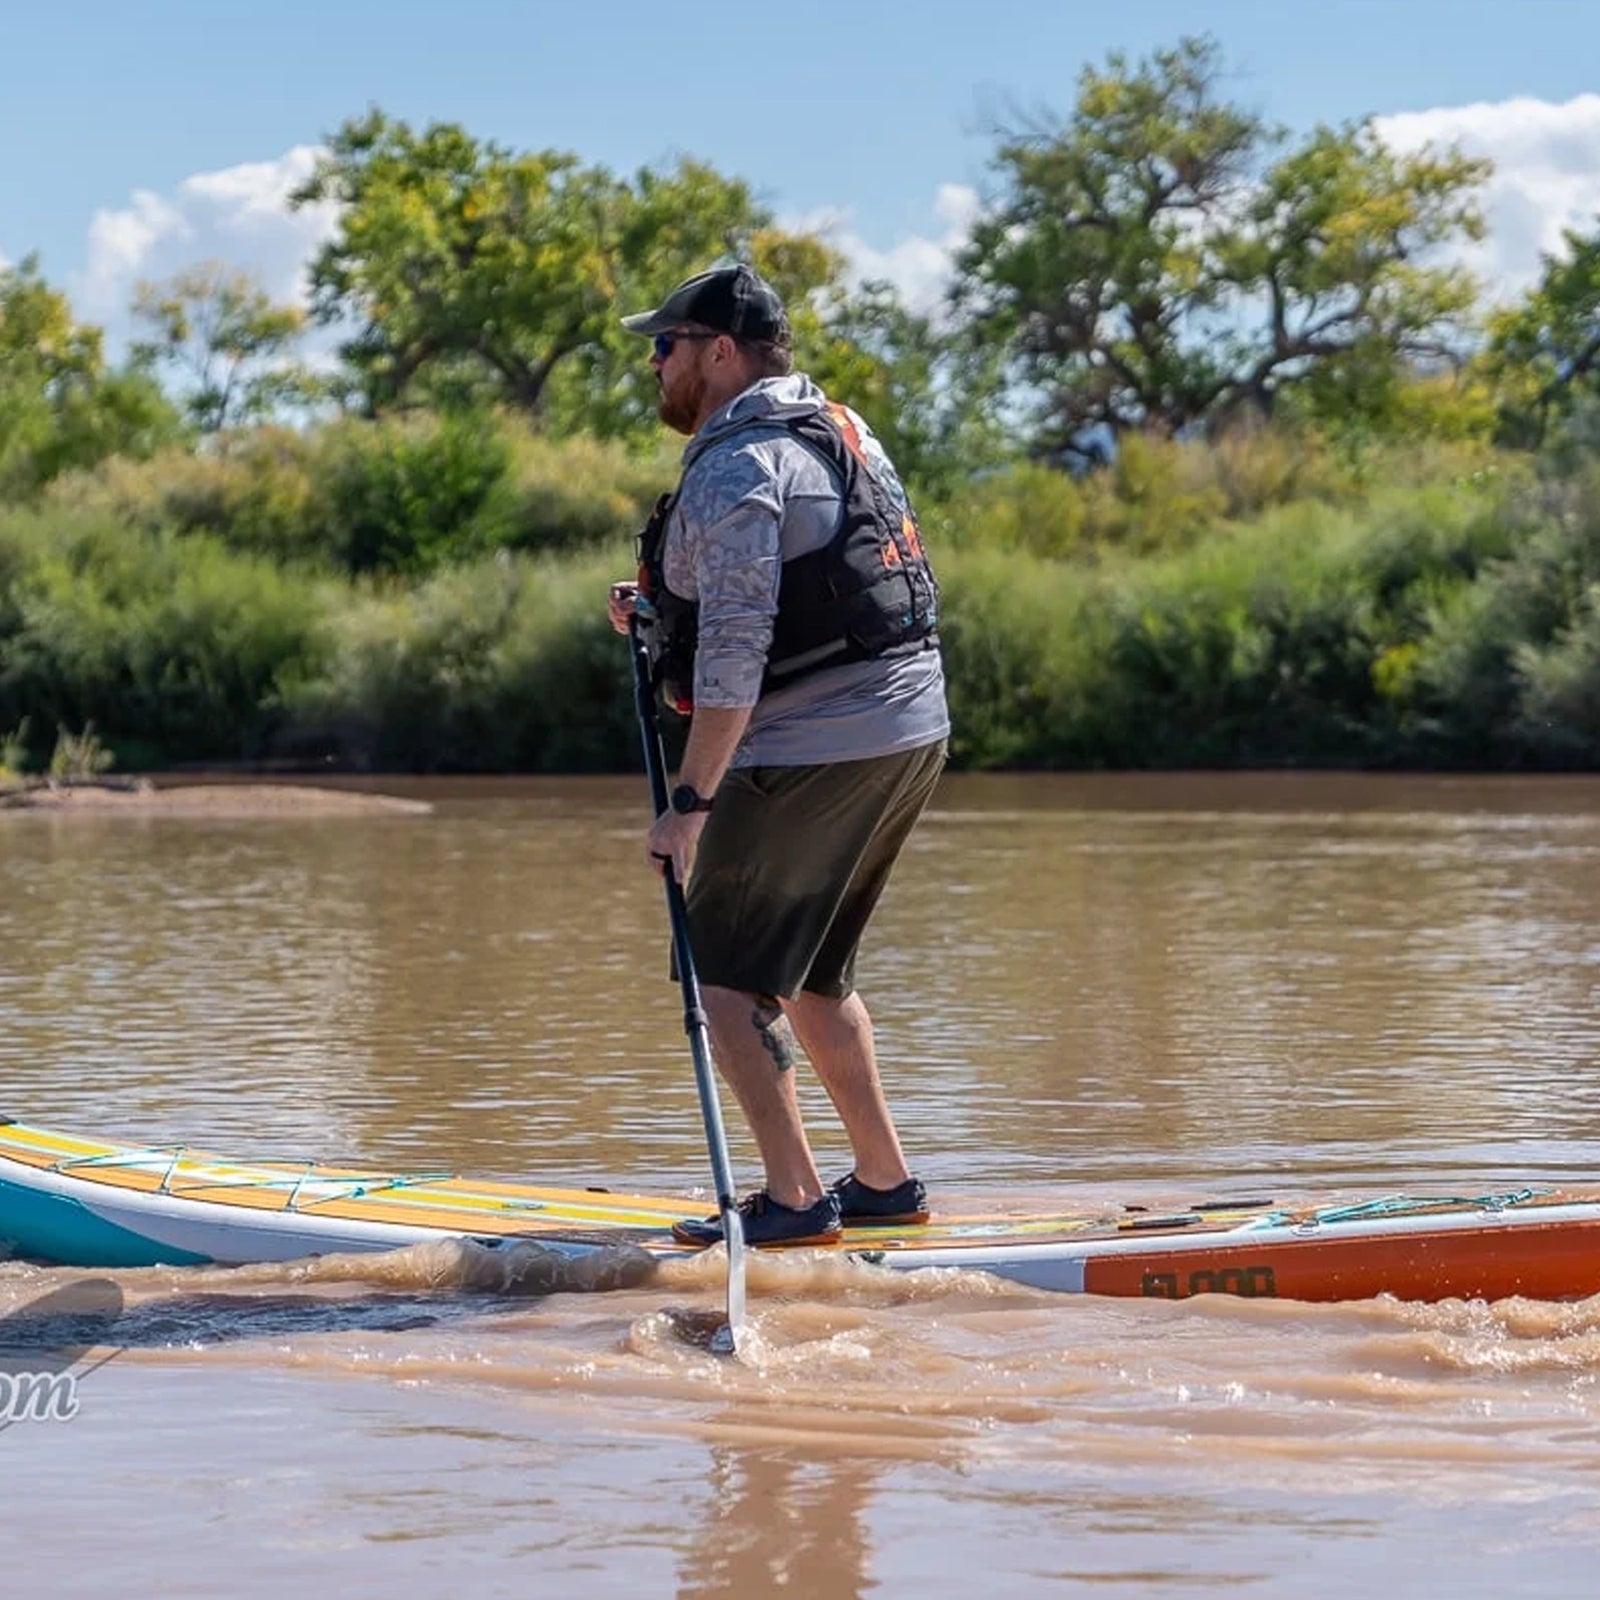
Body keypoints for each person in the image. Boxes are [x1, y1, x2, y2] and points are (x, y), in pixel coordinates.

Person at [607, 263, 948, 1248]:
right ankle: (884, 1182)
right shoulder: (841, 431)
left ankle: (795, 1201)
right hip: (906, 729)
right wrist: (657, 608)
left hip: (813, 745)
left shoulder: (736, 462)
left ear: (719, 351)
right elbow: (805, 586)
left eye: (665, 345)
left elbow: (737, 653)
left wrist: (689, 803)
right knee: (811, 972)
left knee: (721, 977)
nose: (655, 363)